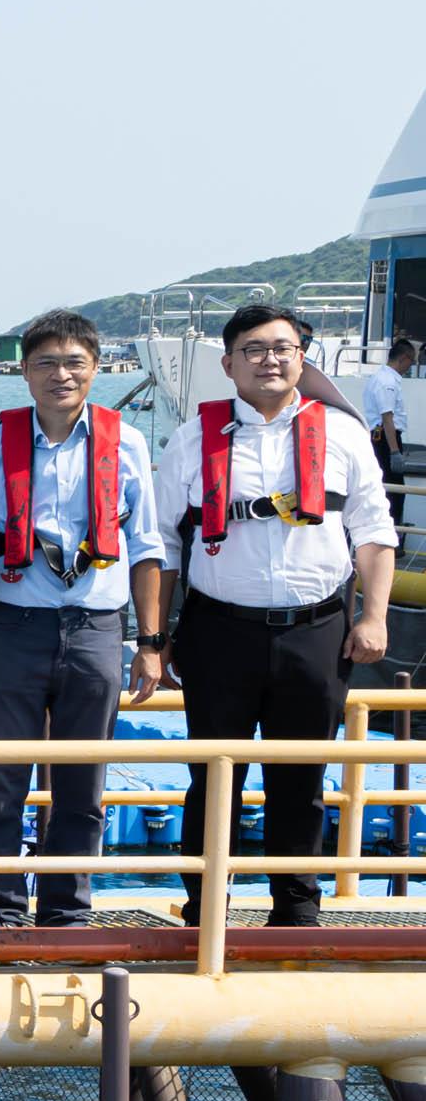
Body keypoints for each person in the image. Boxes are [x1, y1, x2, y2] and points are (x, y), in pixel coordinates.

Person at [157, 301, 398, 928]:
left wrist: (373, 618)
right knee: (213, 778)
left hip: (317, 629)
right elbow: (159, 544)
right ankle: (206, 905)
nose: (271, 359)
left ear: (301, 358)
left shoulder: (343, 435)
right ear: (229, 363)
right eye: (256, 349)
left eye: (283, 348)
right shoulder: (191, 439)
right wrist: (153, 638)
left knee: (302, 775)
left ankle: (296, 909)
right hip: (218, 631)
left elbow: (373, 531)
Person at [0, 309, 168, 928]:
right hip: (15, 626)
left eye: (75, 362)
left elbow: (147, 546)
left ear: (97, 370)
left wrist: (147, 643)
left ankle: (68, 911)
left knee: (83, 780)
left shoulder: (124, 442)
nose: (60, 375)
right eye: (45, 362)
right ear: (23, 372)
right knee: (1, 775)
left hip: (98, 628)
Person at [367, 337, 409, 477]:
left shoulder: (380, 377)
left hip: (382, 437)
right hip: (386, 439)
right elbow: (387, 418)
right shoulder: (387, 382)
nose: (410, 366)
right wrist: (395, 452)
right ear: (403, 359)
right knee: (394, 492)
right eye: (411, 361)